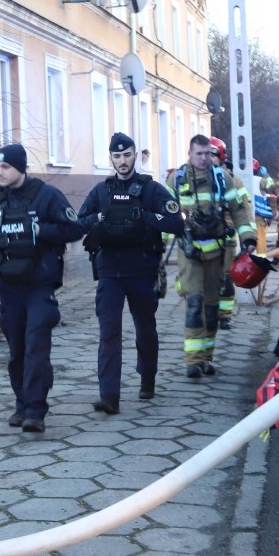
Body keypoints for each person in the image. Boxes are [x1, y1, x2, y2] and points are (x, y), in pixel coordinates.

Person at [0, 144, 86, 432]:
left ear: (20, 167)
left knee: (36, 345)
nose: (0, 172)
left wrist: (40, 230)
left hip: (39, 284)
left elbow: (75, 228)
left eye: (5, 167)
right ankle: (22, 402)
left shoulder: (47, 196)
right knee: (17, 348)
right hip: (9, 287)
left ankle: (36, 409)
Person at [78, 132, 185, 413]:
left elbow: (176, 222)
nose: (122, 161)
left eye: (127, 155)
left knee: (145, 329)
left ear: (135, 155)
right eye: (117, 156)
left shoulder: (151, 189)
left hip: (142, 270)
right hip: (110, 272)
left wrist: (144, 216)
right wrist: (100, 218)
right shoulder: (102, 191)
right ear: (110, 158)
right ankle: (109, 397)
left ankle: (147, 378)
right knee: (109, 332)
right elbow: (78, 223)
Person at [167, 135, 256, 379]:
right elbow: (165, 213)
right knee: (194, 304)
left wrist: (248, 238)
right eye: (199, 154)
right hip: (190, 254)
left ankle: (206, 357)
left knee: (211, 308)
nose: (204, 158)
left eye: (207, 153)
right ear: (190, 153)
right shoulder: (177, 180)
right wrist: (156, 247)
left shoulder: (222, 178)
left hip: (216, 253)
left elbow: (239, 210)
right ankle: (193, 361)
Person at [254, 163, 278, 252]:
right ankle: (261, 259)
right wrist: (266, 175)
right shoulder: (262, 180)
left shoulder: (241, 179)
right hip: (259, 214)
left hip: (246, 214)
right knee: (260, 238)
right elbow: (272, 188)